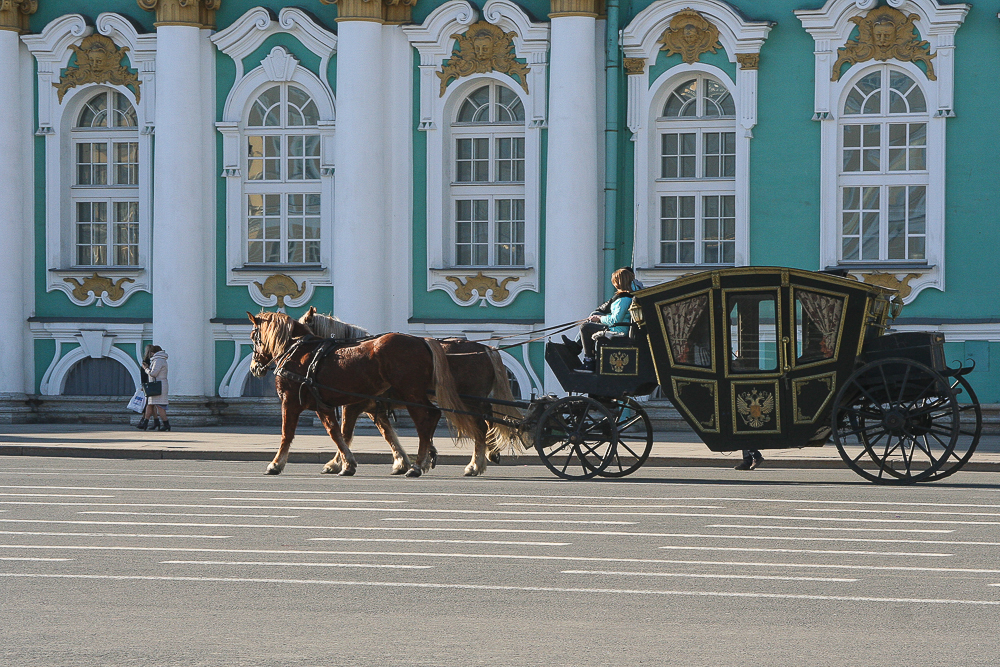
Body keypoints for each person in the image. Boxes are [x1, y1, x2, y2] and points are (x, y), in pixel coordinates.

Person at [562, 267, 635, 372]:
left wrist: (600, 318)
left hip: (618, 330)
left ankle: (589, 361)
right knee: (592, 319)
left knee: (585, 327)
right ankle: (577, 347)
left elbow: (615, 319)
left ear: (618, 283)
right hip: (618, 327)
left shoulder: (624, 300)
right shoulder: (626, 298)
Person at [136, 345, 170, 432]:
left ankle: (165, 424)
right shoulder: (159, 360)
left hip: (158, 386)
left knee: (159, 406)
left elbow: (153, 374)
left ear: (153, 352)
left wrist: (146, 368)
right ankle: (146, 422)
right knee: (151, 404)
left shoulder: (158, 360)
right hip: (156, 385)